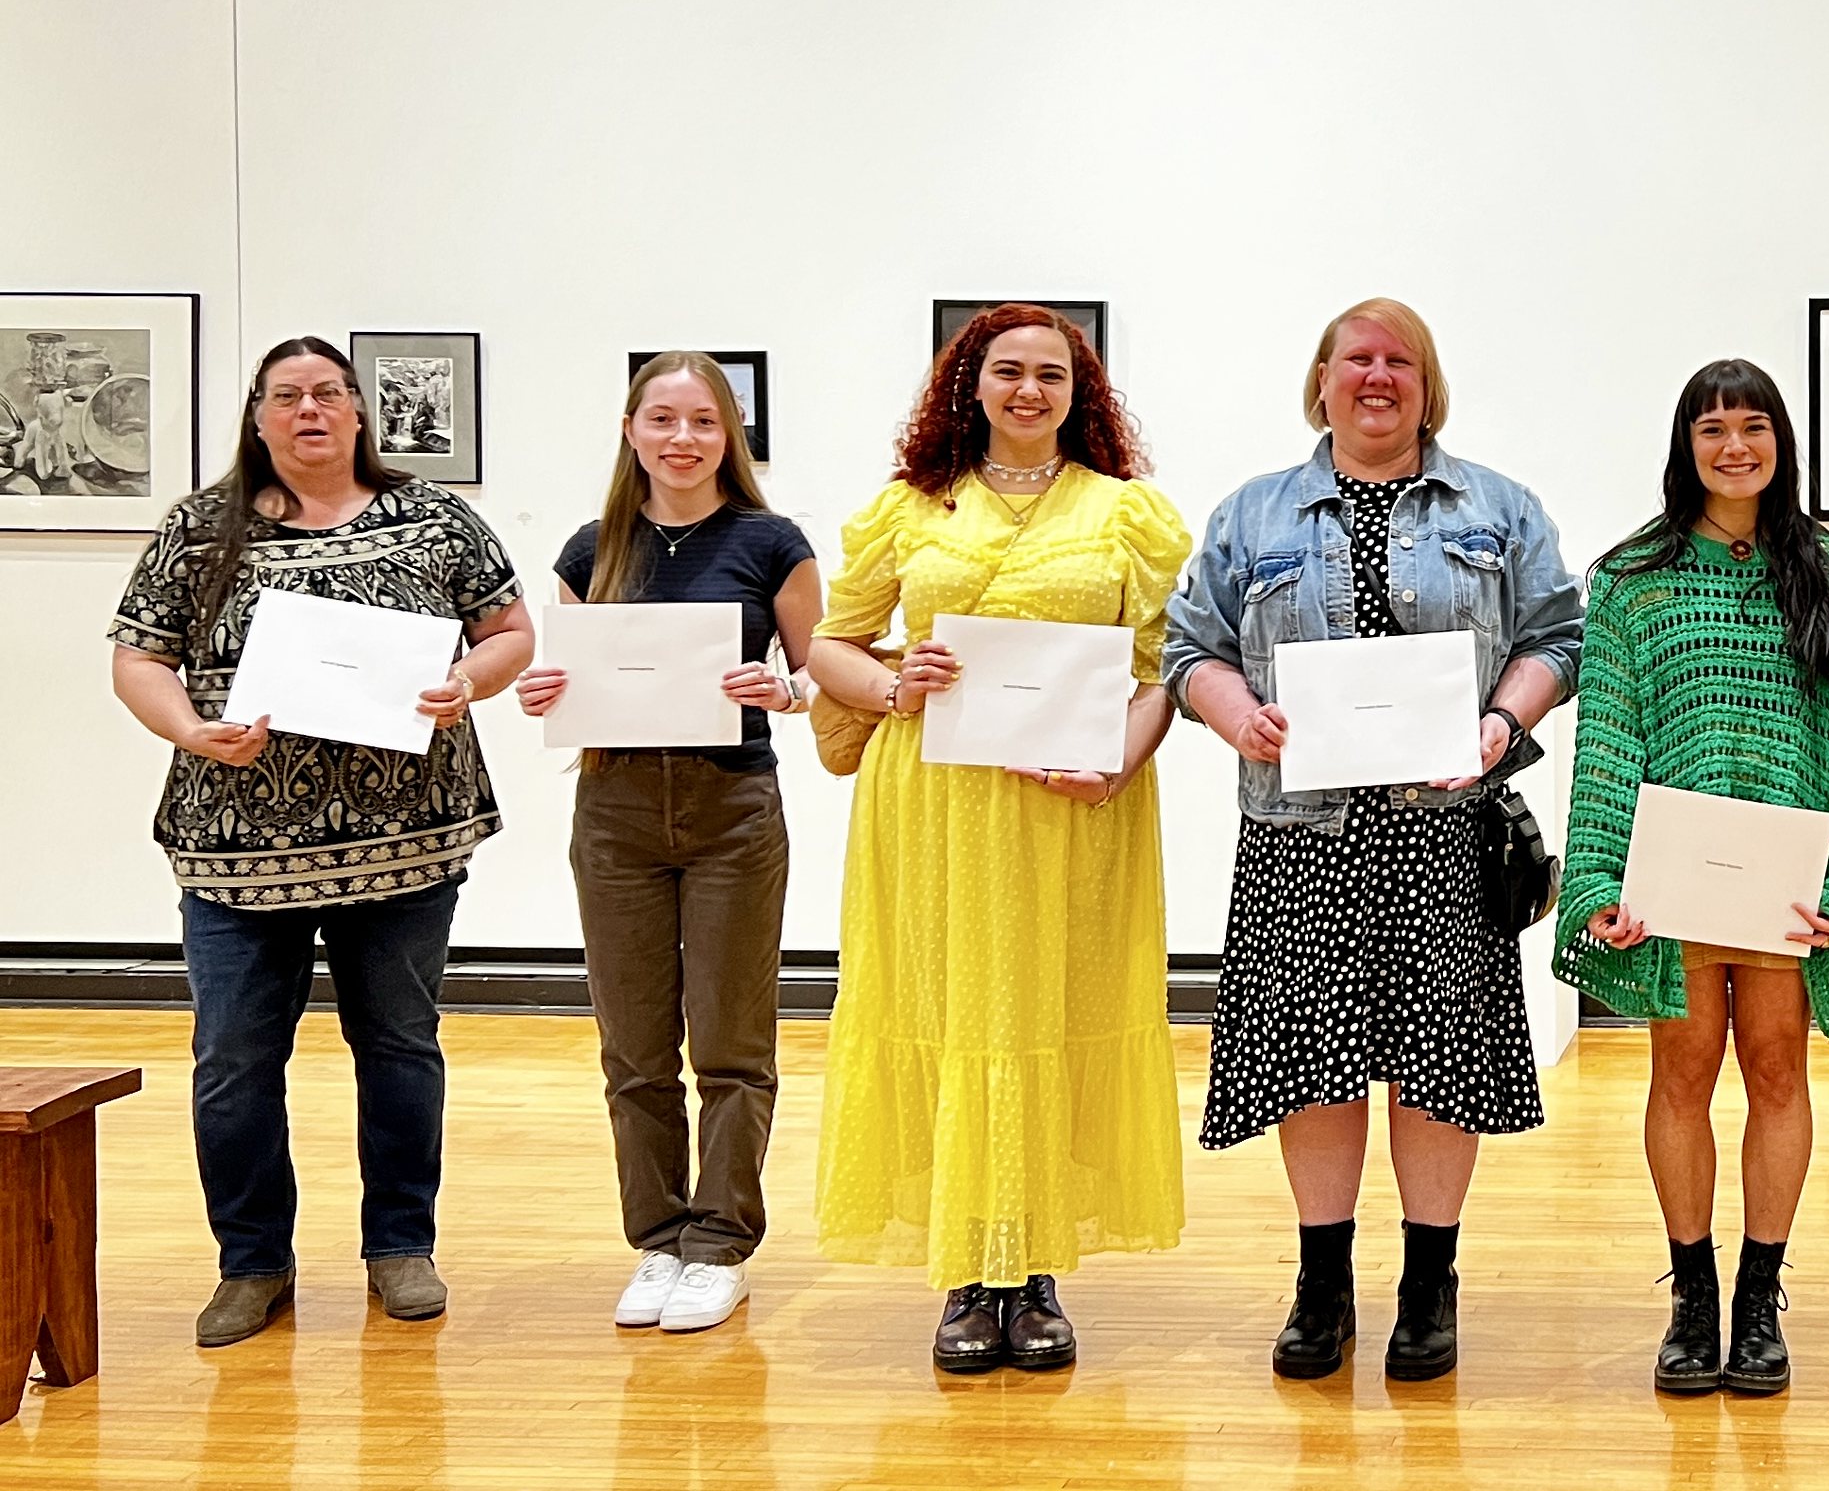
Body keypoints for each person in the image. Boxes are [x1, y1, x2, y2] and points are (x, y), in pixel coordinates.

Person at [1164, 297, 1581, 1382]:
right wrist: (1233, 712)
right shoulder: (1251, 515)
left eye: (1402, 361)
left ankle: (1430, 1283)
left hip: (1445, 832)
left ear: (1427, 386)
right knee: (1314, 1067)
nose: (1379, 376)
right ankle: (1322, 1283)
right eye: (1359, 358)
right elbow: (1187, 647)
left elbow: (1556, 637)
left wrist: (1503, 720)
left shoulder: (1500, 507)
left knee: (1441, 1069)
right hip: (1302, 835)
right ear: (1322, 379)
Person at [106, 337, 533, 1347]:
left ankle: (400, 1247)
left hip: (405, 844)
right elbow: (137, 658)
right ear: (257, 418)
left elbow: (509, 633)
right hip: (235, 849)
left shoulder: (433, 518)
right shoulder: (198, 529)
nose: (311, 410)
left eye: (330, 394)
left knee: (396, 1046)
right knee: (233, 1063)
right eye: (288, 396)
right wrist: (188, 730)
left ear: (357, 414)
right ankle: (252, 1264)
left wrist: (469, 681)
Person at [806, 305, 1191, 1372]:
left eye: (1052, 376)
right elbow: (832, 647)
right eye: (1008, 372)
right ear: (968, 386)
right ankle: (970, 1273)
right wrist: (893, 682)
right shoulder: (908, 509)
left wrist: (1120, 757)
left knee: (1051, 1013)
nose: (1030, 391)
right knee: (950, 1010)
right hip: (935, 807)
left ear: (1082, 393)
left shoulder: (1131, 515)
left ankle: (1037, 1269)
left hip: (1070, 808)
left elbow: (1162, 673)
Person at [1556, 357, 1829, 1397]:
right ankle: (1691, 1294)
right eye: (1713, 430)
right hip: (1675, 878)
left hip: (1787, 881)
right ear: (1686, 446)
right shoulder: (1631, 577)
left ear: (1781, 443)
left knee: (1778, 1070)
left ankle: (1761, 1296)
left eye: (1753, 426)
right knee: (1681, 1072)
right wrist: (1595, 881)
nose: (1734, 446)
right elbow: (1608, 734)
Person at [511, 352, 820, 1334]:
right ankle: (656, 1241)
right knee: (634, 1047)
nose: (683, 440)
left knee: (732, 1040)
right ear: (631, 430)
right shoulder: (586, 547)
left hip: (733, 807)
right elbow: (570, 676)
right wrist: (543, 692)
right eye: (664, 420)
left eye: (704, 423)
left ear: (729, 437)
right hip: (616, 809)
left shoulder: (772, 542)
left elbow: (821, 670)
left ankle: (719, 1242)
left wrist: (787, 689)